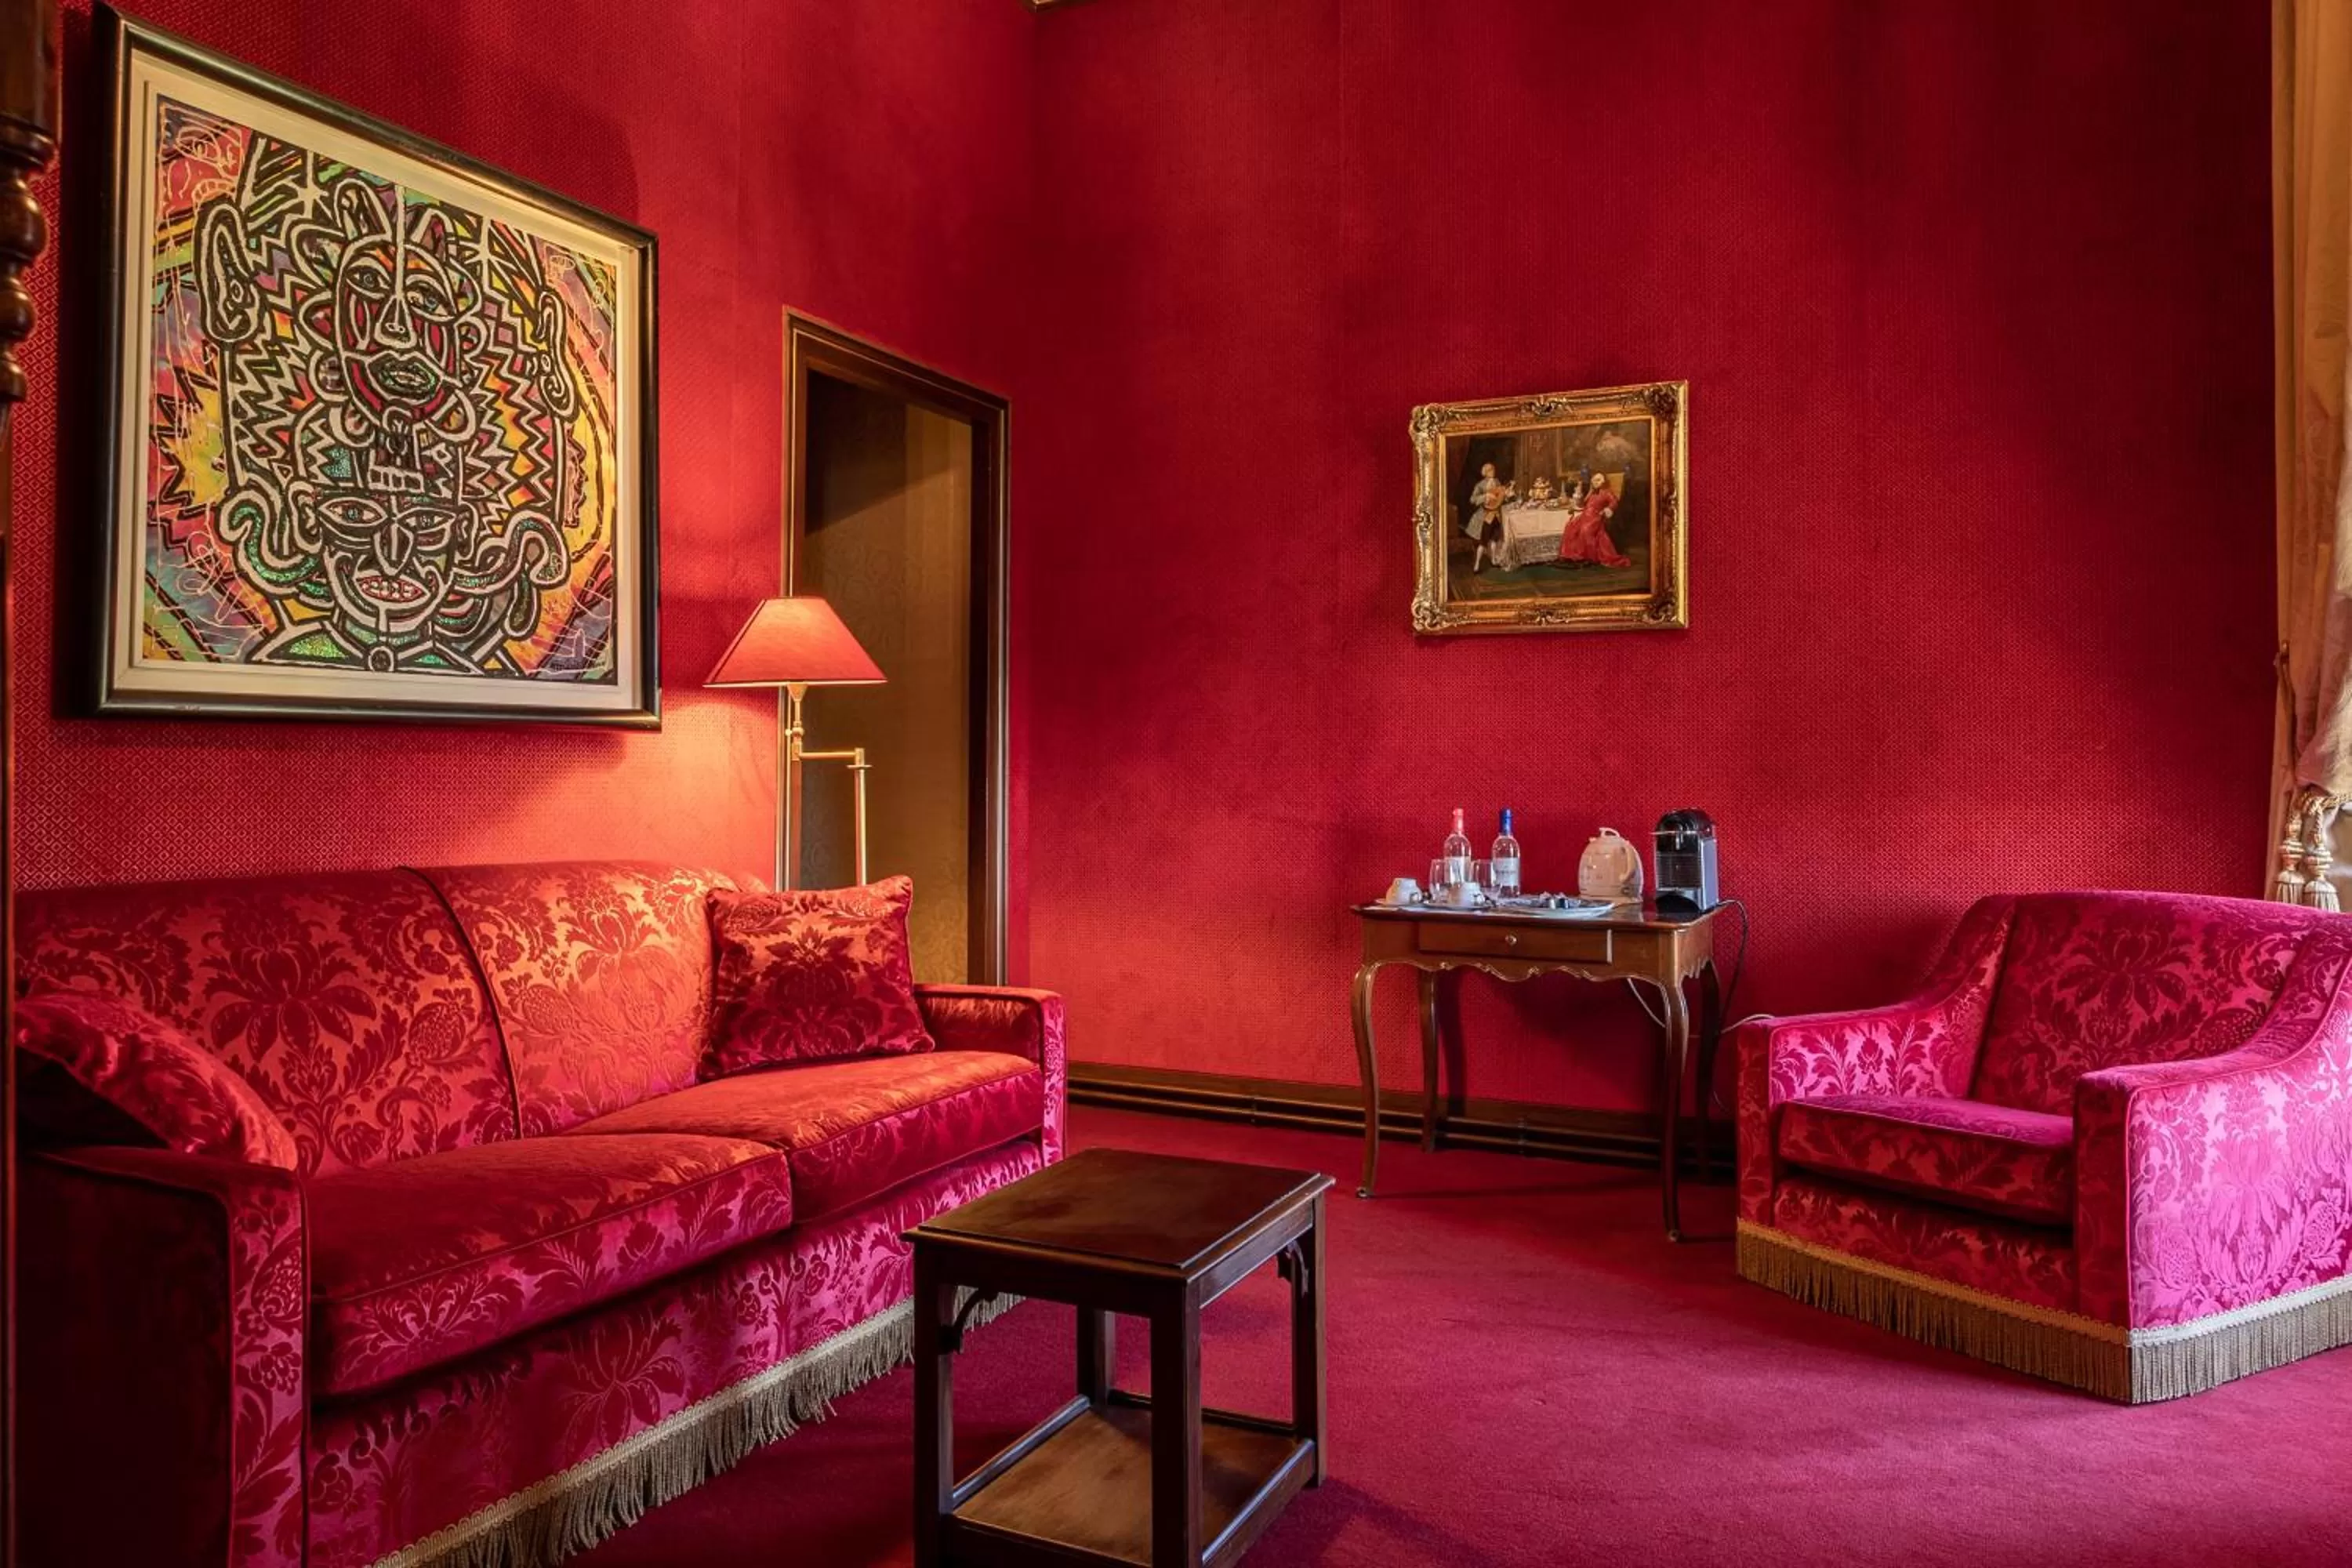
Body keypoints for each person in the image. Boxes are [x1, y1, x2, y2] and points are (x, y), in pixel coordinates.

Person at [1558, 471, 1630, 568]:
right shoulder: (1592, 493)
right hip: (1585, 516)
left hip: (1595, 517)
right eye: (1594, 480)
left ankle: (1588, 556)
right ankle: (1573, 555)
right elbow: (1584, 504)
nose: (1596, 482)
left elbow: (1614, 502)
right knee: (1571, 526)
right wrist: (1584, 494)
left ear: (1603, 482)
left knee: (1586, 530)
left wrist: (1607, 509)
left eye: (1598, 480)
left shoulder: (1606, 492)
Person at [1466, 463, 1512, 570]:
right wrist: (1485, 496)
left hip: (1497, 516)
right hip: (1486, 516)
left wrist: (1507, 495)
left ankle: (1493, 560)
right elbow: (1473, 499)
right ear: (1485, 473)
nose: (1493, 472)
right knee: (1483, 542)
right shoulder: (1481, 485)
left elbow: (1500, 498)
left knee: (1495, 539)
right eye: (1490, 470)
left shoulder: (1497, 482)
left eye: (1493, 470)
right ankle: (1477, 564)